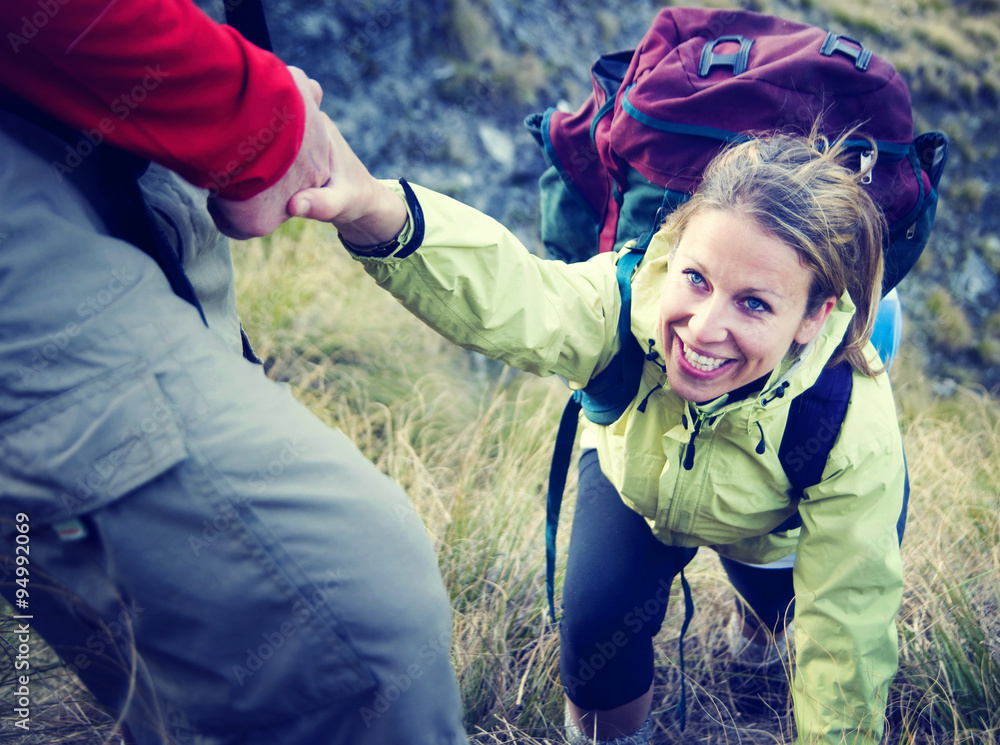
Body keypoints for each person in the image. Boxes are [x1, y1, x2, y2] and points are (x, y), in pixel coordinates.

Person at [294, 118, 908, 745]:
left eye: (754, 303)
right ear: (673, 250)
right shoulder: (622, 300)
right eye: (695, 278)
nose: (701, 329)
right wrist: (377, 211)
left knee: (781, 612)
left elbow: (849, 625)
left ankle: (756, 642)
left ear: (814, 316)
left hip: (774, 522)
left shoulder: (848, 423)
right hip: (636, 483)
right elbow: (513, 293)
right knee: (595, 639)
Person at [0, 2, 468, 743]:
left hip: (118, 148)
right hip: (52, 152)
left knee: (201, 647)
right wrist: (258, 115)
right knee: (362, 609)